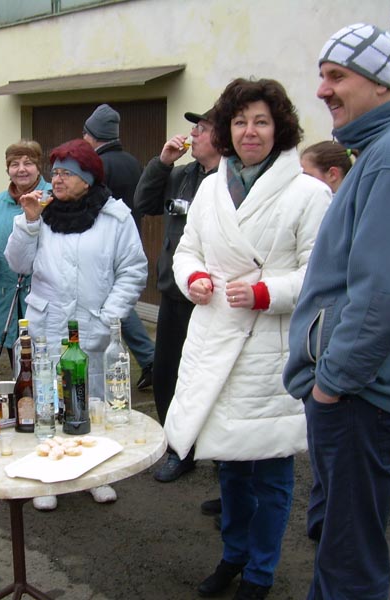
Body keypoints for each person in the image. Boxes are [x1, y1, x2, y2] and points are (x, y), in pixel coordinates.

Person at [284, 24, 390, 600]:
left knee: (350, 567)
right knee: (338, 546)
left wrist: (331, 385)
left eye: (337, 76)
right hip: (356, 396)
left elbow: (387, 296)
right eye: (322, 76)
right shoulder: (385, 152)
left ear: (382, 83)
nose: (322, 90)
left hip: (360, 399)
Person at [165, 78, 331, 600]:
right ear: (227, 129)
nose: (249, 131)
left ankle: (260, 572)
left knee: (272, 471)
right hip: (216, 340)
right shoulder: (211, 186)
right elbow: (187, 250)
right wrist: (193, 278)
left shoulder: (309, 194)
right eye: (239, 121)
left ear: (280, 127)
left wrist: (266, 292)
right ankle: (233, 554)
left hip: (269, 348)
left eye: (261, 121)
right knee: (230, 467)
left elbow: (322, 275)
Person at [5, 138, 147, 512]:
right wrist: (29, 222)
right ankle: (45, 476)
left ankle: (94, 475)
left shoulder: (115, 218)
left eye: (66, 173)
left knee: (91, 402)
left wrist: (108, 317)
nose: (57, 180)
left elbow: (132, 271)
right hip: (47, 325)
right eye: (55, 173)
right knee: (46, 400)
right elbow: (18, 264)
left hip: (92, 325)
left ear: (88, 179)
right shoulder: (41, 212)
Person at [134, 107, 221, 484]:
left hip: (214, 299)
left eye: (201, 128)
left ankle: (221, 456)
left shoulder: (232, 180)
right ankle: (178, 449)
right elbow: (144, 203)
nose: (193, 134)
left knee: (211, 378)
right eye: (194, 128)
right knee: (168, 373)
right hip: (174, 292)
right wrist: (162, 163)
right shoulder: (182, 175)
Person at [297, 139, 354, 543]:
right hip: (319, 352)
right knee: (323, 454)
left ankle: (330, 531)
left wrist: (328, 381)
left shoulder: (343, 218)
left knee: (336, 455)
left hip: (333, 357)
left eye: (307, 174)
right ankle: (321, 523)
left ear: (332, 176)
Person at [83, 104, 155, 390]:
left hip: (104, 245)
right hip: (130, 237)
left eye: (86, 134)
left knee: (115, 304)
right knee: (120, 301)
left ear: (93, 135)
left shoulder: (98, 166)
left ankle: (149, 358)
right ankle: (149, 358)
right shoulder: (132, 161)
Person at [0, 140, 50, 369]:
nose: (21, 169)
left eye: (28, 163)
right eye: (14, 164)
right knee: (19, 370)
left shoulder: (52, 199)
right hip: (7, 304)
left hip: (44, 301)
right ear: (8, 170)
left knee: (46, 368)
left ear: (38, 167)